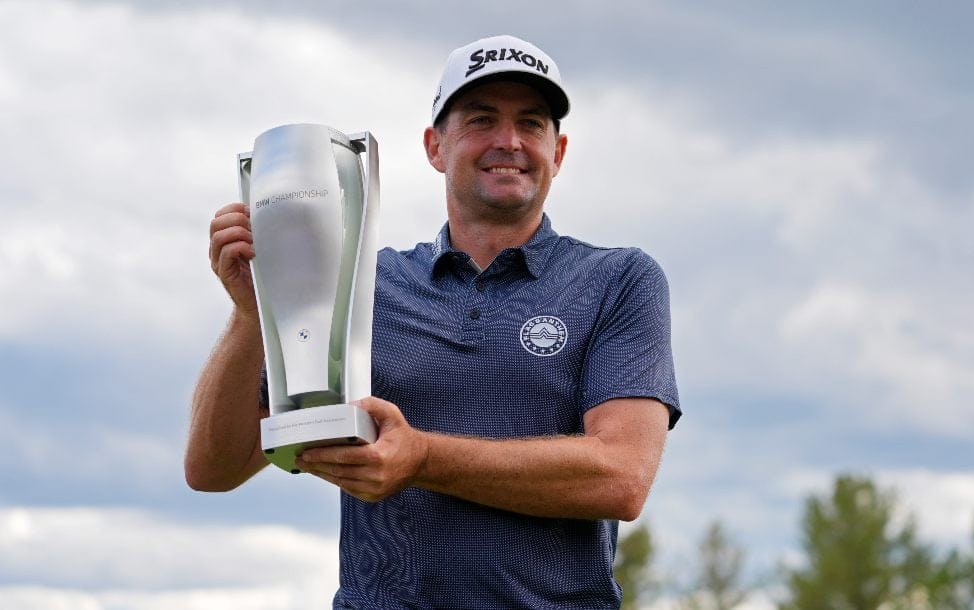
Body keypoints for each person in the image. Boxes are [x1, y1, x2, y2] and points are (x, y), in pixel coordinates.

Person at [187, 34, 681, 609]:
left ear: (559, 151)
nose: (509, 141)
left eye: (532, 122)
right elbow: (214, 468)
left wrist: (420, 456)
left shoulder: (617, 280)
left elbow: (620, 476)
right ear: (434, 147)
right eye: (480, 119)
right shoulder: (365, 285)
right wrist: (252, 314)